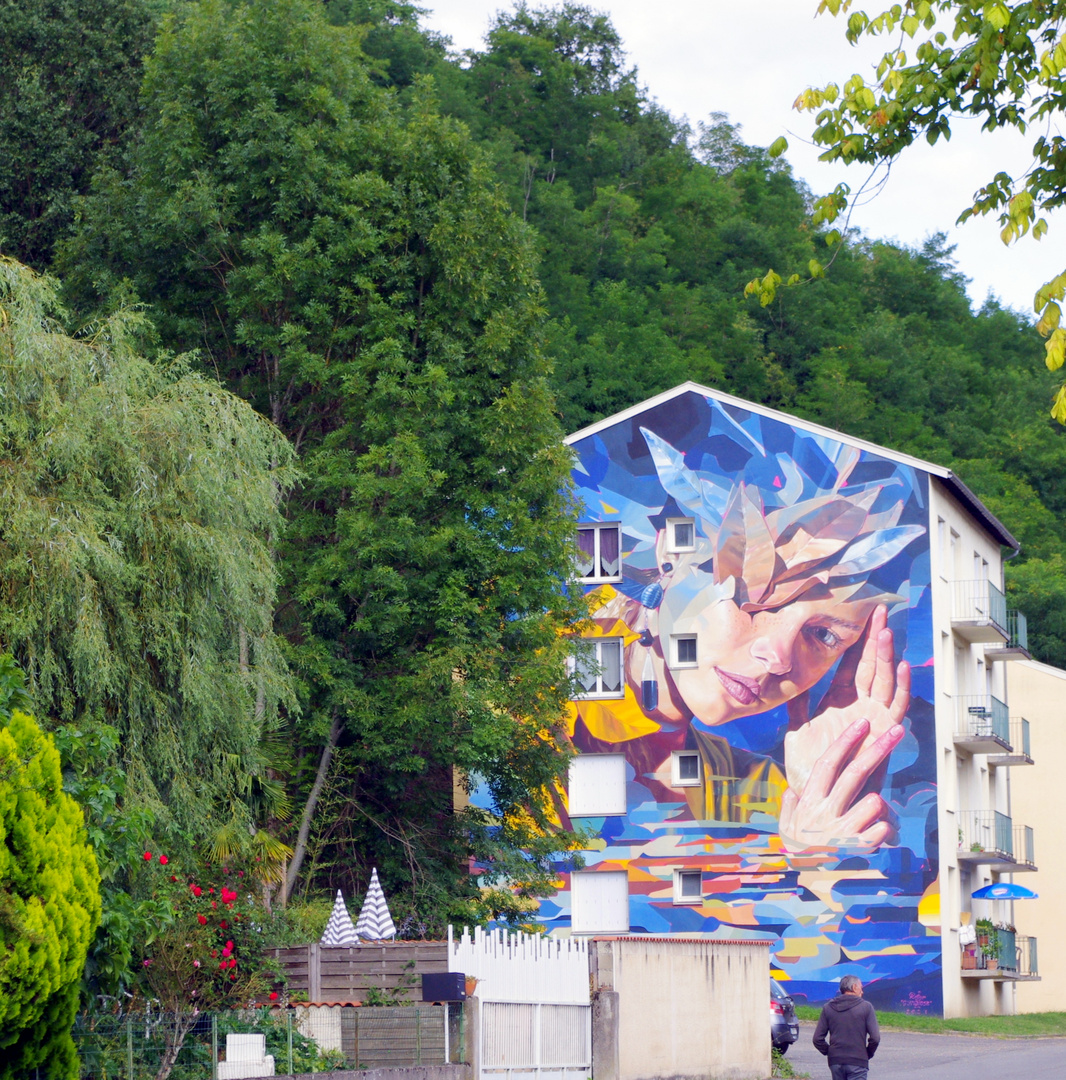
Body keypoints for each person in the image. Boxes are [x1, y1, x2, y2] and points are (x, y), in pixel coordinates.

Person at [813, 974, 880, 1080]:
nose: (862, 992)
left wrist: (830, 1052)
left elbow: (817, 1039)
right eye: (861, 988)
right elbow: (875, 1038)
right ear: (854, 987)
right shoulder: (866, 1007)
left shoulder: (828, 1008)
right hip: (858, 1061)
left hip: (835, 1061)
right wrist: (867, 1053)